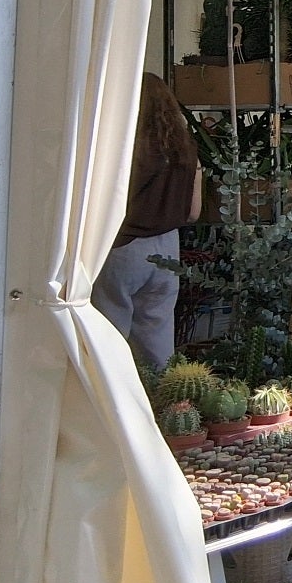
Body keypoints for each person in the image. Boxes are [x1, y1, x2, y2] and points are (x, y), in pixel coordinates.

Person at [92, 72, 201, 369]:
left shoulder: (123, 149)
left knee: (109, 338)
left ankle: (111, 410)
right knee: (157, 340)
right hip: (169, 248)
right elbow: (194, 212)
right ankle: (164, 407)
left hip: (124, 246)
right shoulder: (185, 149)